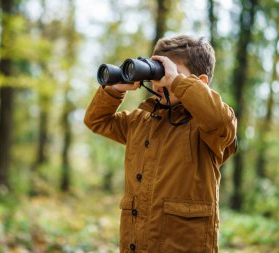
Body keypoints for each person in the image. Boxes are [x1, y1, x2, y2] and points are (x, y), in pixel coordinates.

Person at [84, 35, 237, 253]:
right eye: (157, 72)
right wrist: (115, 89)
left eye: (170, 73)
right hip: (135, 243)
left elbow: (221, 121)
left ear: (199, 82)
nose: (160, 82)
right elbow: (96, 121)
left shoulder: (207, 128)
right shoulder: (141, 120)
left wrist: (178, 82)